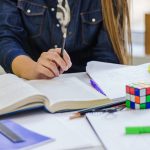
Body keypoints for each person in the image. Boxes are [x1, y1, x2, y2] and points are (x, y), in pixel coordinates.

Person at [0, 0, 131, 80]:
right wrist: (32, 70)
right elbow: (5, 38)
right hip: (33, 86)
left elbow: (107, 59)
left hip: (87, 89)